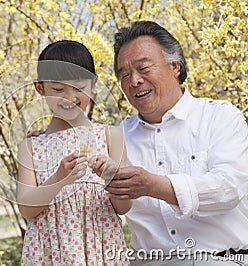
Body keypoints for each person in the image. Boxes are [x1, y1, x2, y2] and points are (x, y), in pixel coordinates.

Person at [106, 20, 248, 265]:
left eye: (143, 68)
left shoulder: (220, 117)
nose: (134, 81)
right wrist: (47, 135)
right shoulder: (116, 138)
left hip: (222, 259)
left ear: (175, 66)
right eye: (125, 75)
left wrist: (153, 185)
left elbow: (228, 188)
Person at [17, 40, 131, 265]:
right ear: (40, 88)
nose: (69, 97)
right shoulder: (30, 146)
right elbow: (27, 209)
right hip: (51, 252)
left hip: (100, 248)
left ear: (93, 84)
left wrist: (110, 177)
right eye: (58, 89)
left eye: (79, 87)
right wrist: (60, 178)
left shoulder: (111, 136)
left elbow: (123, 207)